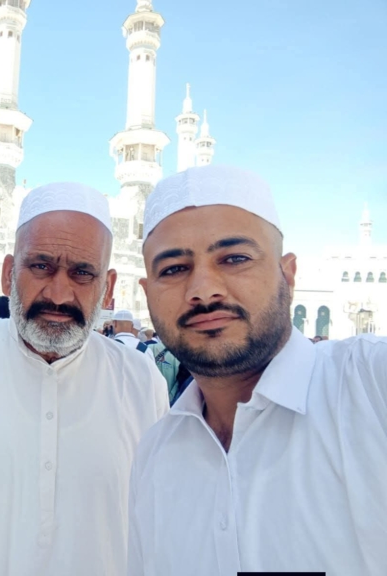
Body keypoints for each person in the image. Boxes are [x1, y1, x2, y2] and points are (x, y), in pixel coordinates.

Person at [127, 165, 387, 576]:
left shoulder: (368, 391)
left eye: (234, 259)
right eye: (174, 268)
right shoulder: (156, 455)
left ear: (288, 274)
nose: (203, 289)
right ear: (147, 293)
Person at [0, 182, 169, 576]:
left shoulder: (138, 378)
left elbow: (153, 523)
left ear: (109, 287)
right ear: (8, 273)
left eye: (83, 272)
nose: (59, 293)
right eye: (42, 266)